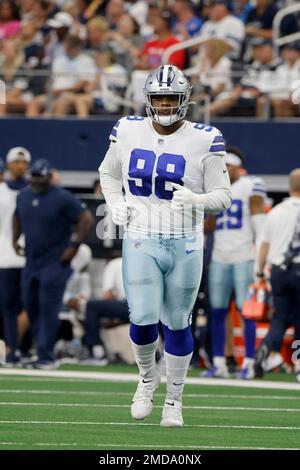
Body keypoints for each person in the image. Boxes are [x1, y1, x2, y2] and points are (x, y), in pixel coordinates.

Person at [99, 64, 232, 427]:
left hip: (185, 241)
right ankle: (146, 378)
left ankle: (174, 399)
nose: (164, 104)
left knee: (176, 321)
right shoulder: (127, 129)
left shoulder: (205, 137)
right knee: (141, 317)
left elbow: (223, 196)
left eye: (170, 97)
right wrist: (113, 204)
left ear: (185, 99)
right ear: (148, 99)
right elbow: (108, 173)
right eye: (158, 98)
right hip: (141, 236)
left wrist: (197, 200)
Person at [13, 159, 93, 368]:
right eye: (35, 176)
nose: (38, 180)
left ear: (49, 177)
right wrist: (15, 239)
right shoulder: (24, 196)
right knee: (31, 307)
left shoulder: (63, 197)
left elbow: (86, 219)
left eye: (42, 176)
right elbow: (16, 217)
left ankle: (45, 356)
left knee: (48, 309)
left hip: (55, 263)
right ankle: (37, 351)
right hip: (31, 262)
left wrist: (74, 246)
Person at [203, 146, 266, 379]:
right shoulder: (216, 186)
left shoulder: (251, 185)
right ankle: (219, 362)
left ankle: (248, 362)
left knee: (246, 312)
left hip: (244, 256)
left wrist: (261, 258)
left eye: (228, 165)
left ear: (238, 166)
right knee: (217, 311)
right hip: (220, 256)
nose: (225, 170)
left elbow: (260, 224)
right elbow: (208, 228)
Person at [255, 168, 300, 384]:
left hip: (279, 271)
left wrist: (259, 271)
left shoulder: (276, 211)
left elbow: (263, 245)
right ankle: (298, 364)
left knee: (281, 317)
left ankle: (266, 348)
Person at [0, 147, 30, 365]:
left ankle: (25, 348)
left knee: (31, 306)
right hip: (5, 257)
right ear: (9, 164)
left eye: (23, 162)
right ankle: (13, 349)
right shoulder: (1, 190)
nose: (19, 166)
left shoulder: (35, 190)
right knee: (9, 307)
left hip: (31, 256)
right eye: (15, 162)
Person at [83, 256, 128, 365]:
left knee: (92, 307)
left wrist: (113, 320)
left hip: (129, 305)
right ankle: (163, 357)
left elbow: (107, 295)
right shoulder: (142, 260)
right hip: (152, 307)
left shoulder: (114, 263)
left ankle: (98, 354)